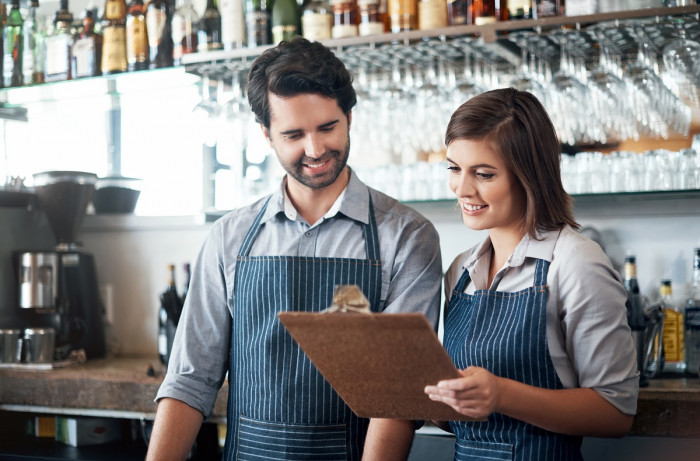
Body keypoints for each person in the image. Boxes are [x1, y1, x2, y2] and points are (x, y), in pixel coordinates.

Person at [146, 37, 442, 461]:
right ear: (266, 135)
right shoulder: (230, 237)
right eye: (293, 134)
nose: (315, 150)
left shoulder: (407, 236)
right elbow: (191, 379)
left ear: (349, 118)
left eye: (327, 128)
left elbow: (398, 397)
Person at [423, 88, 639, 460]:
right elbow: (460, 417)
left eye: (484, 174)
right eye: (454, 168)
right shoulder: (460, 270)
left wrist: (502, 395)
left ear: (529, 175)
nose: (463, 188)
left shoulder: (575, 262)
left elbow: (615, 413)